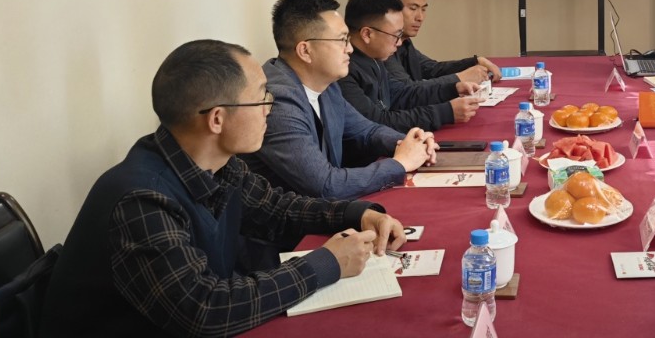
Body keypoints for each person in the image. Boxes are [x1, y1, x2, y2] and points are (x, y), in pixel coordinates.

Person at [40, 40, 408, 336]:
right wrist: (327, 263)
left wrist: (358, 213)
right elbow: (204, 309)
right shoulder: (141, 198)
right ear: (217, 118)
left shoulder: (218, 164)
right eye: (262, 98)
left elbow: (278, 209)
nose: (269, 109)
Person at [244, 0, 438, 200]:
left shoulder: (326, 86)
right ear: (305, 51)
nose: (350, 49)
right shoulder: (277, 102)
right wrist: (400, 164)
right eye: (342, 40)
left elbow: (367, 131)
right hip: (294, 218)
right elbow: (326, 186)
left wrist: (408, 143)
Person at [339, 0, 483, 131]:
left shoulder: (373, 57)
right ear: (367, 34)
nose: (399, 43)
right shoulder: (344, 71)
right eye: (396, 35)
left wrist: (452, 89)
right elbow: (378, 122)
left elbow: (401, 94)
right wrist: (444, 113)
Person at [378, 0, 501, 85]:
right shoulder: (382, 46)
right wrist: (461, 77)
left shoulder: (404, 41)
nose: (420, 17)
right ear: (391, 9)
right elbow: (408, 92)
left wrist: (474, 62)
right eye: (413, 8)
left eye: (423, 9)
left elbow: (432, 69)